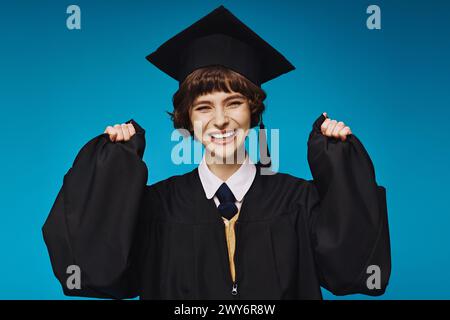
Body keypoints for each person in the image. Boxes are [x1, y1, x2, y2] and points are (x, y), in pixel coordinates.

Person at [42, 5, 391, 300]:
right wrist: (110, 168)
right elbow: (99, 274)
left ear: (252, 112)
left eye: (234, 103)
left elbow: (350, 269)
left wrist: (341, 164)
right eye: (204, 107)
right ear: (187, 119)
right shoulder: (154, 208)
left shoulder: (298, 202)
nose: (221, 120)